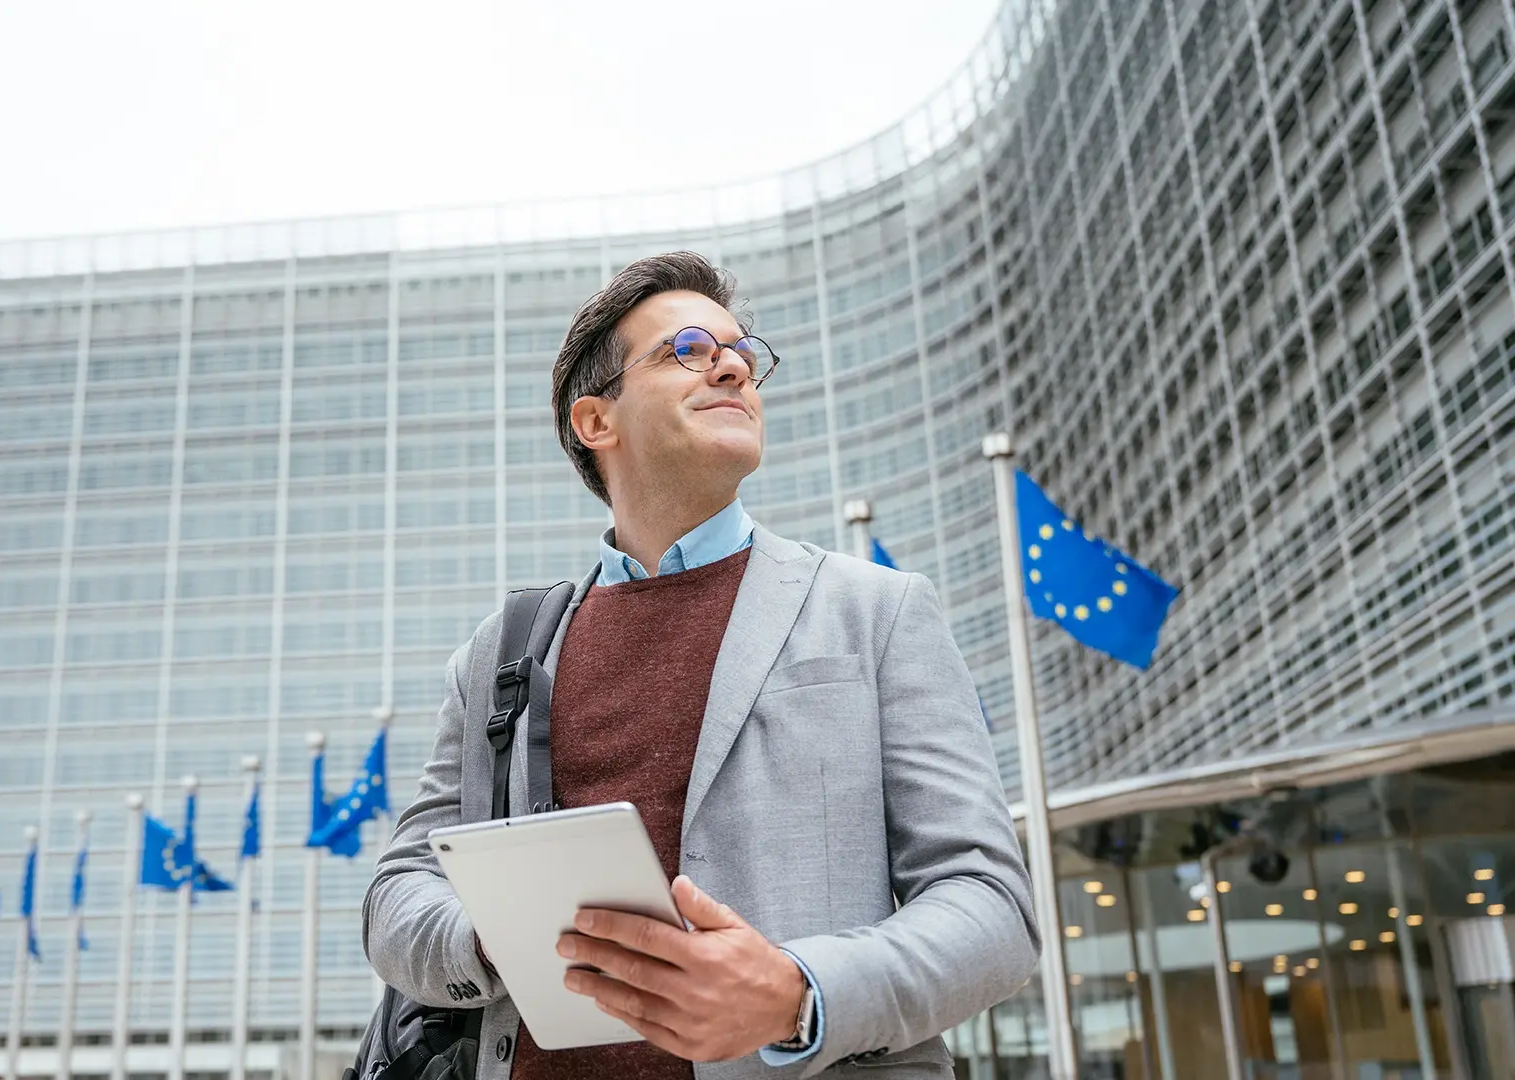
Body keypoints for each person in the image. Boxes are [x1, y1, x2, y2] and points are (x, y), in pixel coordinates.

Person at [363, 252, 1039, 1078]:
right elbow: (400, 889)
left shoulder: (877, 611)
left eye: (741, 352)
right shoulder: (501, 653)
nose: (731, 364)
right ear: (595, 422)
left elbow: (991, 909)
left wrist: (799, 994)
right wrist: (496, 935)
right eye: (686, 348)